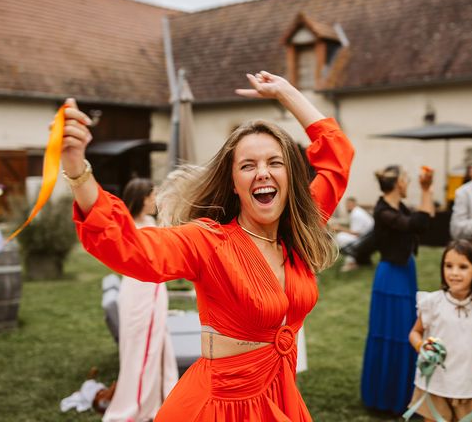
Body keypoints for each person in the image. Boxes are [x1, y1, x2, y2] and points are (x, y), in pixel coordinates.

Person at [60, 70, 354, 421]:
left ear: (291, 175)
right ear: (233, 183)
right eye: (248, 165)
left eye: (274, 162)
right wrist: (78, 170)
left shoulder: (299, 231)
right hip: (221, 406)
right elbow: (131, 246)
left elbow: (337, 155)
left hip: (279, 394)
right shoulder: (210, 241)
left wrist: (286, 93)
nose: (263, 172)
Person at [360, 165, 434, 414]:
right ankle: (385, 399)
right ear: (397, 184)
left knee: (406, 333)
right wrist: (425, 189)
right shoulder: (383, 211)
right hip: (391, 277)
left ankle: (404, 395)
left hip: (404, 273)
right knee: (392, 334)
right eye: (406, 179)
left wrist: (427, 191)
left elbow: (426, 218)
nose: (409, 182)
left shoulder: (398, 207)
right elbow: (418, 223)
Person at [103, 178, 178, 422]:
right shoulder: (131, 227)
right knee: (140, 349)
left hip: (153, 290)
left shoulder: (150, 221)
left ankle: (161, 399)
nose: (155, 199)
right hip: (140, 292)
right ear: (143, 198)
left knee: (158, 346)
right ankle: (136, 407)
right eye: (153, 195)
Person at [407, 239, 472, 421]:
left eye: (463, 267)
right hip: (435, 384)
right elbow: (414, 333)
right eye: (448, 266)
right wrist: (421, 346)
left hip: (467, 387)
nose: (454, 273)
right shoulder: (432, 303)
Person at [331, 196, 374, 271]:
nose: (347, 206)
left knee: (341, 237)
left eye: (349, 204)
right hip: (368, 237)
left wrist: (339, 228)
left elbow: (356, 233)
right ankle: (352, 261)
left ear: (354, 204)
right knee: (342, 237)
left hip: (365, 239)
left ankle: (352, 263)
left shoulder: (356, 214)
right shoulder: (357, 211)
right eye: (346, 204)